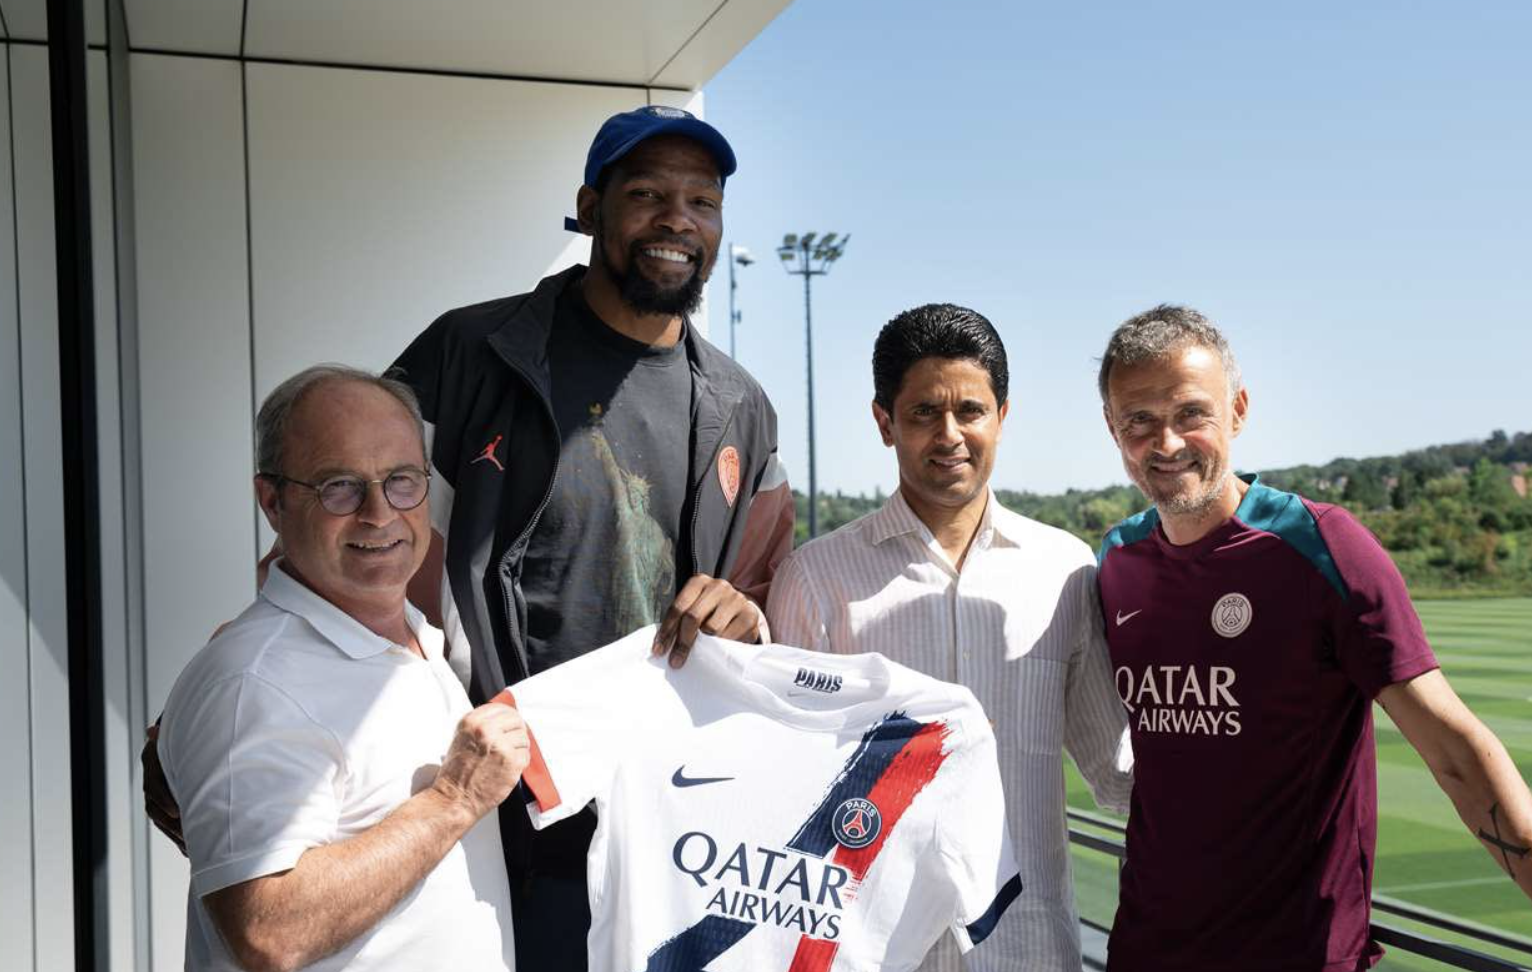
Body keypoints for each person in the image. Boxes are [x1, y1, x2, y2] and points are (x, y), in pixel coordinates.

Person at [145, 105, 793, 972]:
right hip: (501, 821)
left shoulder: (741, 404)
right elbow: (343, 519)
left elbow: (758, 600)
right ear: (590, 207)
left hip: (659, 834)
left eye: (701, 201)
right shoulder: (472, 351)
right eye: (645, 194)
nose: (677, 219)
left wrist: (747, 621)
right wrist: (214, 716)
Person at [1095, 306, 1532, 971]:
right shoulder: (1116, 562)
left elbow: (1454, 752)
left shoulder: (1321, 546)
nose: (1168, 443)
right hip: (1145, 953)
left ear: (1237, 410)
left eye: (1191, 414)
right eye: (1140, 421)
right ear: (1113, 430)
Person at [767, 303, 1133, 971]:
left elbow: (1116, 774)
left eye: (969, 410)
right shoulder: (816, 579)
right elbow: (784, 793)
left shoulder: (1065, 570)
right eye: (922, 414)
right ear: (885, 423)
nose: (949, 434)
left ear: (1002, 416)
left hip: (1030, 947)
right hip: (875, 955)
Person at [158, 365, 529, 971]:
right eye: (340, 487)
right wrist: (455, 799)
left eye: (402, 481)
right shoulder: (253, 680)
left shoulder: (416, 638)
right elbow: (269, 930)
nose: (379, 514)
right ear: (272, 501)